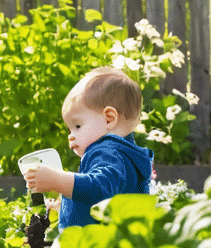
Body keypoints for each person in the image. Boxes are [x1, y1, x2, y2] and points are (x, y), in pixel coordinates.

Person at [23, 66, 154, 229]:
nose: (71, 135)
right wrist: (66, 206)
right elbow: (99, 202)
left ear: (109, 119)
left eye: (77, 125)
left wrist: (56, 180)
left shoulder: (108, 151)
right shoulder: (123, 154)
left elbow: (99, 189)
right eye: (70, 129)